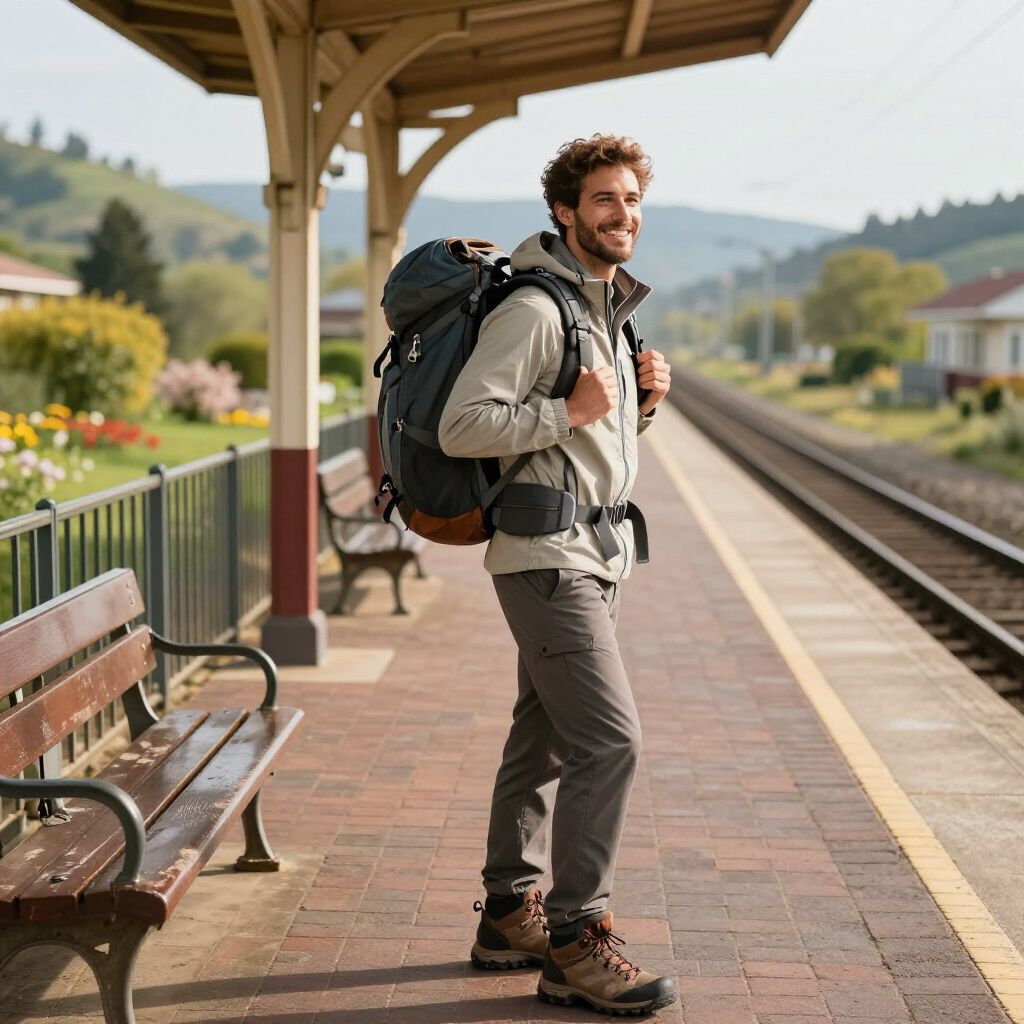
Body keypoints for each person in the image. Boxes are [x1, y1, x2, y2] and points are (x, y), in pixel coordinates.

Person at [438, 134, 675, 1016]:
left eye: (632, 199)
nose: (624, 215)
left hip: (594, 556)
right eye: (605, 201)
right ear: (564, 213)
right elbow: (465, 425)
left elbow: (585, 440)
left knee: (541, 739)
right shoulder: (538, 310)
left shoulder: (604, 306)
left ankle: (508, 913)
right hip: (547, 561)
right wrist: (565, 408)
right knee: (610, 741)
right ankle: (575, 938)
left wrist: (639, 408)